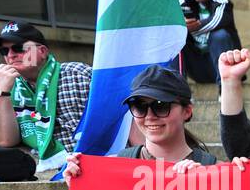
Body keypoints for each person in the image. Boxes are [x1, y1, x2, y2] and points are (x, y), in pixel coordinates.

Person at [63, 65, 216, 177]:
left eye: (161, 106)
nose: (150, 116)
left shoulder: (214, 171)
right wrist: (80, 182)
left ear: (187, 111)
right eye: (139, 106)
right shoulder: (114, 167)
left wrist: (204, 187)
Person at [0, 20, 91, 171]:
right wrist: (1, 92)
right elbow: (5, 140)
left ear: (42, 51)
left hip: (90, 166)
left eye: (19, 48)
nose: (10, 55)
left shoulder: (77, 73)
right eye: (4, 51)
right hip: (50, 174)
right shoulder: (9, 87)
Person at [177, 0, 241, 84]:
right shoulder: (184, 1)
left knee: (219, 35)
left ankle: (224, 90)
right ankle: (178, 92)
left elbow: (215, 21)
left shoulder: (223, 2)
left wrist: (188, 28)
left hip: (223, 68)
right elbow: (171, 26)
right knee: (176, 37)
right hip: (198, 67)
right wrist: (181, 28)